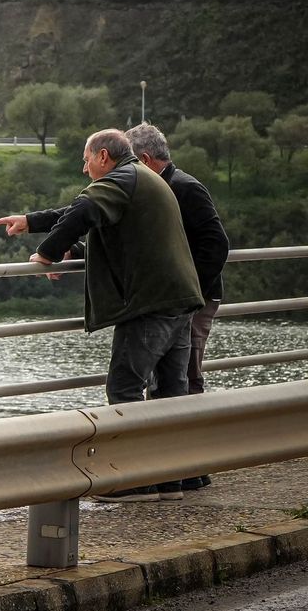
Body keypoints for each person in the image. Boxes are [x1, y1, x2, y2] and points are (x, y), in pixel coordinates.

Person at [0, 129, 203, 502]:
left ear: (103, 156)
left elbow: (85, 209)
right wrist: (30, 220)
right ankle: (171, 481)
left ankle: (135, 482)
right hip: (179, 300)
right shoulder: (141, 178)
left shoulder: (122, 179)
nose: (84, 167)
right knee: (172, 393)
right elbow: (85, 213)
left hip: (149, 304)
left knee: (124, 386)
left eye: (86, 160)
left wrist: (47, 253)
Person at [128, 122, 229, 492]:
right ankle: (181, 469)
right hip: (178, 299)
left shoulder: (184, 188)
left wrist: (189, 293)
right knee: (174, 379)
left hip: (191, 301)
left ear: (144, 159)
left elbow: (216, 245)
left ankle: (188, 468)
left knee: (184, 378)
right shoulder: (163, 186)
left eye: (130, 163)